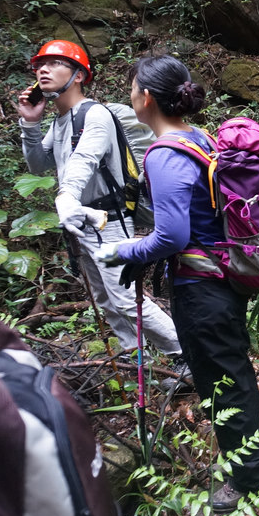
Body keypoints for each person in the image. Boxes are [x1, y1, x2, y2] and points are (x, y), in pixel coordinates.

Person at [95, 54, 259, 513]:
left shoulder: (164, 155)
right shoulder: (199, 138)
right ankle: (251, 464)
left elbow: (172, 236)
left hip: (201, 288)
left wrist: (124, 251)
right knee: (231, 371)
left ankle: (251, 481)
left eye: (132, 88)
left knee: (221, 380)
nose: (129, 96)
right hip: (222, 276)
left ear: (146, 97)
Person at [16, 39, 186, 369]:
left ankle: (184, 354)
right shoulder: (60, 120)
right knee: (107, 301)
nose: (43, 70)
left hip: (109, 220)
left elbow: (85, 158)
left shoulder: (95, 114)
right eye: (40, 65)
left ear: (79, 75)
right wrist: (30, 123)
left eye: (54, 63)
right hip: (82, 221)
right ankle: (139, 364)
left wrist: (66, 196)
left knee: (125, 298)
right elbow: (37, 165)